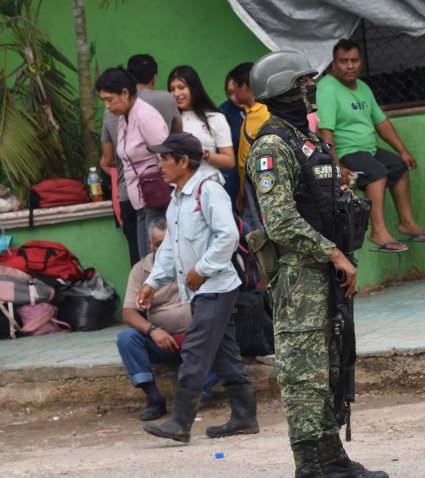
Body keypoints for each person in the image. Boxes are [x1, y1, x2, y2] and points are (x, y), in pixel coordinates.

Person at [244, 50, 387, 477]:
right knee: (304, 373)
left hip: (323, 271)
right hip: (299, 273)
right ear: (282, 90)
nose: (310, 88)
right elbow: (281, 220)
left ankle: (331, 457)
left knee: (330, 363)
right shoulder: (272, 146)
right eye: (302, 82)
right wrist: (334, 253)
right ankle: (309, 465)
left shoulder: (304, 139)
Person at [138, 132, 258, 443]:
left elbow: (228, 236)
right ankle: (245, 416)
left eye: (165, 158)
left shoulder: (208, 190)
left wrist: (202, 270)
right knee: (224, 349)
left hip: (216, 286)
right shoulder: (177, 199)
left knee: (194, 350)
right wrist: (152, 282)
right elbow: (168, 249)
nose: (160, 164)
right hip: (200, 290)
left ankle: (180, 422)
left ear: (183, 161)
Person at [317, 39, 425, 253]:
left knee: (398, 166)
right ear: (334, 64)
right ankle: (378, 232)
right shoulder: (326, 89)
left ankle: (406, 222)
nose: (350, 66)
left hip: (367, 150)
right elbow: (325, 131)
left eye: (354, 61)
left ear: (361, 62)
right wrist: (336, 165)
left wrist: (403, 151)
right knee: (377, 172)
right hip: (346, 152)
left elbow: (382, 123)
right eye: (344, 61)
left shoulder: (363, 87)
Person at [116, 217, 217, 421]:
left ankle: (192, 398)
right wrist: (153, 330)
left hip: (196, 340)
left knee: (221, 338)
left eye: (169, 243)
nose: (164, 249)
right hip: (163, 342)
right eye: (159, 244)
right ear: (150, 245)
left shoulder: (194, 263)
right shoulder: (141, 270)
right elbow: (128, 313)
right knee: (126, 338)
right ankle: (154, 398)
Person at [99, 54, 181, 265]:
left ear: (125, 93)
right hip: (141, 201)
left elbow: (167, 154)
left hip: (157, 198)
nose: (107, 106)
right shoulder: (125, 117)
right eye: (104, 101)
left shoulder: (144, 116)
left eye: (110, 99)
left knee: (158, 262)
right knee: (146, 262)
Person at [168, 65, 235, 184]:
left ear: (194, 88)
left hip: (208, 185)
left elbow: (229, 161)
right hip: (178, 188)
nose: (176, 93)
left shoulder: (215, 118)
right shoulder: (169, 119)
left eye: (181, 87)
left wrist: (205, 154)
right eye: (172, 89)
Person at [229, 61, 268, 232]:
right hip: (249, 187)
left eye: (235, 87)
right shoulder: (251, 114)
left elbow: (248, 159)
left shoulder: (261, 115)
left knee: (259, 231)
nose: (234, 93)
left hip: (260, 185)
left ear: (244, 86)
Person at [219, 70, 247, 205]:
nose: (235, 97)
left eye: (238, 90)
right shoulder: (224, 112)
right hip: (234, 170)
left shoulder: (262, 109)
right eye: (230, 93)